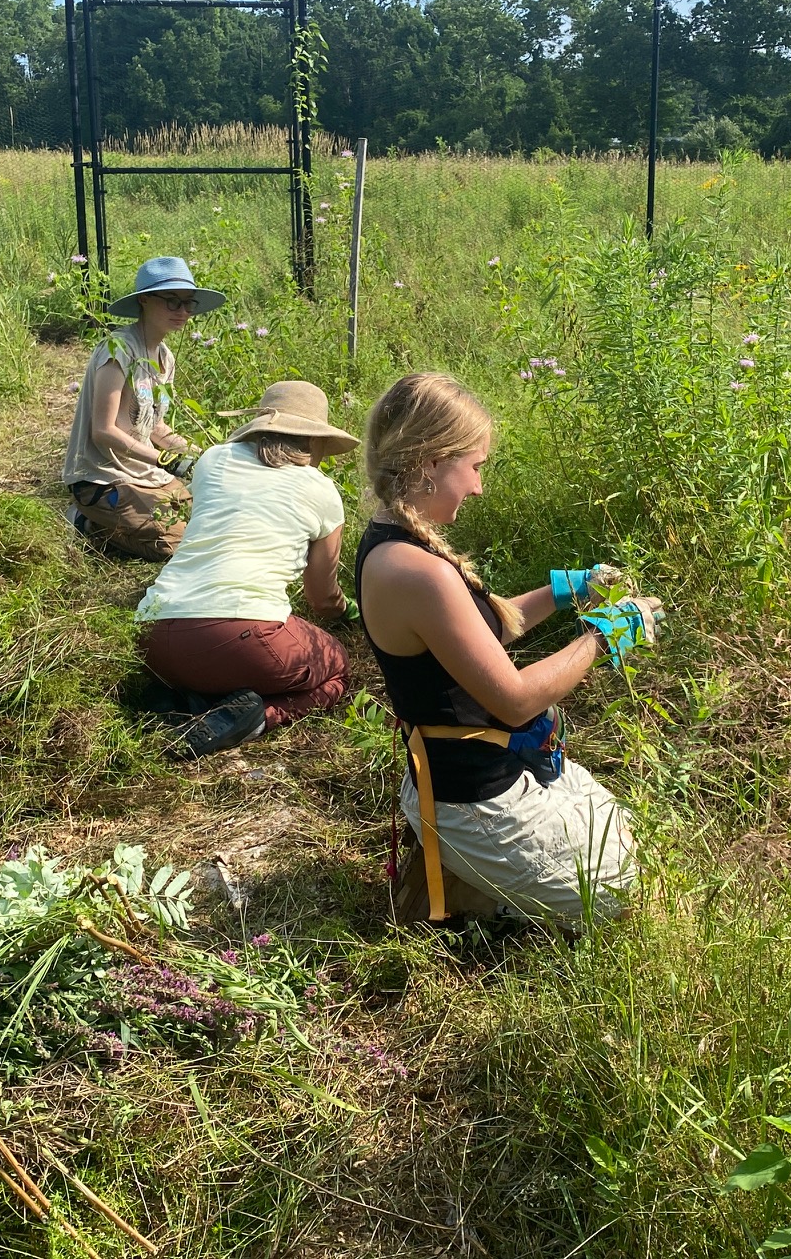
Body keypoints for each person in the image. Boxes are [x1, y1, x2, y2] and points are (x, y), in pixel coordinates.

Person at [355, 372, 665, 925]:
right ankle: (481, 890)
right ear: (430, 461)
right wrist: (602, 636)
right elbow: (517, 700)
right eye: (474, 468)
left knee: (629, 846)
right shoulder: (416, 571)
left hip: (490, 768)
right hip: (474, 800)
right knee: (624, 899)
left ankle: (481, 879)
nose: (478, 487)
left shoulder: (395, 543)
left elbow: (481, 631)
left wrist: (564, 590)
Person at [136, 380, 360, 758]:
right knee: (336, 666)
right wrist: (350, 611)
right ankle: (259, 716)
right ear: (315, 440)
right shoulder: (320, 490)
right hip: (243, 637)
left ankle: (180, 696)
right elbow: (321, 598)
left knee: (209, 656)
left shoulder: (212, 460)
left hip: (152, 635)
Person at [61, 257, 223, 560]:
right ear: (145, 301)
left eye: (189, 303)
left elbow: (154, 426)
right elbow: (103, 431)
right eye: (172, 302)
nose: (183, 312)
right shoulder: (119, 349)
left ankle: (123, 521)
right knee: (176, 545)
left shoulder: (164, 356)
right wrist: (166, 460)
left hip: (147, 473)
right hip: (105, 476)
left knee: (210, 523)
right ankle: (88, 524)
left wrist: (201, 455)